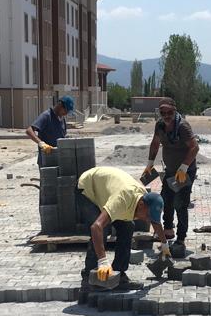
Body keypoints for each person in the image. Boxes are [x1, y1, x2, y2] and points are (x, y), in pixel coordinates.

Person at [77, 166, 169, 290]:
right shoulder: (122, 200)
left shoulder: (145, 200)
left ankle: (119, 276)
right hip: (88, 187)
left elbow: (155, 222)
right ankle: (89, 277)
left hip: (107, 189)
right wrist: (103, 261)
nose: (148, 219)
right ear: (141, 205)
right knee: (102, 229)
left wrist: (164, 245)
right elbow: (96, 227)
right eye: (148, 215)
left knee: (128, 227)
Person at [142, 97, 199, 250]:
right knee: (166, 200)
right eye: (163, 113)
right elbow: (155, 143)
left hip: (184, 172)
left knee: (180, 203)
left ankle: (181, 239)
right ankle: (168, 231)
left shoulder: (182, 127)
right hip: (171, 170)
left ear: (175, 111)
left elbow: (194, 147)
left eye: (170, 112)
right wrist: (150, 163)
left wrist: (184, 167)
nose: (166, 116)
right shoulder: (160, 125)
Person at [26, 96, 75, 165]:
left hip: (58, 158)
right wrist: (41, 143)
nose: (66, 113)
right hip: (46, 159)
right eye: (66, 110)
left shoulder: (62, 119)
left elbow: (61, 135)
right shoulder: (46, 116)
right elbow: (29, 130)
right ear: (60, 105)